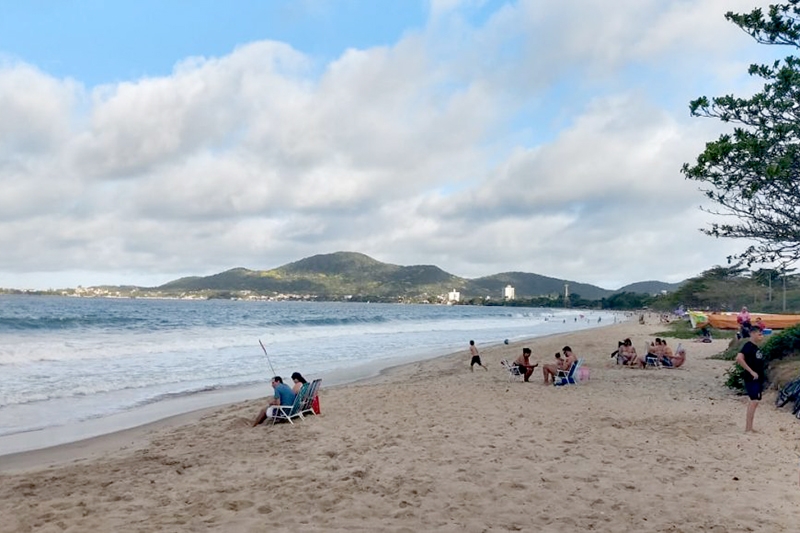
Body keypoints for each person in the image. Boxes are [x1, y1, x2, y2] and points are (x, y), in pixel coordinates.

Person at [734, 326, 765, 433]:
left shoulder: (756, 347)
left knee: (755, 401)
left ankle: (750, 427)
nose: (761, 336)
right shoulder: (748, 346)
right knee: (754, 401)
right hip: (751, 378)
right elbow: (739, 358)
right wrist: (751, 371)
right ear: (752, 334)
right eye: (759, 334)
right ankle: (748, 428)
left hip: (757, 378)